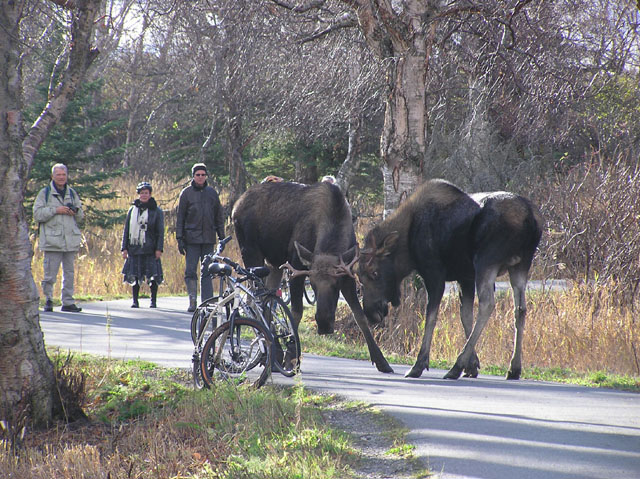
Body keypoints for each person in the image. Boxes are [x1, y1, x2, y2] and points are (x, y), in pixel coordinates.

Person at [33, 163, 84, 312]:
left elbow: (81, 218)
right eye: (58, 175)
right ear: (52, 176)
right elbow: (37, 214)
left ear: (67, 176)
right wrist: (56, 210)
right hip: (52, 241)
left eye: (63, 175)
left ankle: (68, 302)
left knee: (69, 273)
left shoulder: (72, 193)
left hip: (70, 240)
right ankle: (48, 300)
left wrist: (75, 211)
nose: (61, 178)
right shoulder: (45, 193)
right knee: (50, 274)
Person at [176, 163, 225, 312]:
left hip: (209, 239)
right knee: (191, 271)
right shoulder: (186, 193)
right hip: (191, 239)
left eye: (203, 175)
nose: (201, 177)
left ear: (206, 176)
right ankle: (192, 301)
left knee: (208, 271)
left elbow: (219, 216)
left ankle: (207, 302)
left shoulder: (212, 193)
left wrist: (222, 237)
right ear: (193, 176)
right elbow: (180, 218)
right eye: (198, 175)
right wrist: (179, 238)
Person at [121, 182, 164, 308]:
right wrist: (124, 248)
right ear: (138, 194)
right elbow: (127, 230)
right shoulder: (132, 210)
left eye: (146, 193)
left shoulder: (156, 211)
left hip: (151, 248)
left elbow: (160, 232)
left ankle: (153, 301)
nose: (144, 195)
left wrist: (159, 248)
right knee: (135, 275)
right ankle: (135, 301)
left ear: (150, 194)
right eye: (142, 193)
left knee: (153, 276)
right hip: (135, 248)